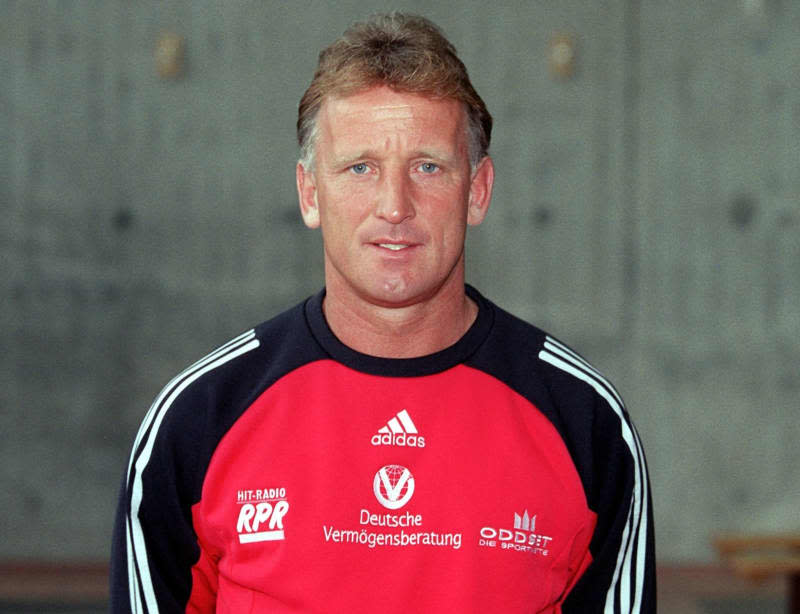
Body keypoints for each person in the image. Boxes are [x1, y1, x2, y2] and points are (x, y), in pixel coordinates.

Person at [111, 12, 655, 613]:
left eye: (428, 166)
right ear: (310, 194)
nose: (394, 206)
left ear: (476, 191)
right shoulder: (198, 420)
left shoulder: (585, 425)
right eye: (360, 168)